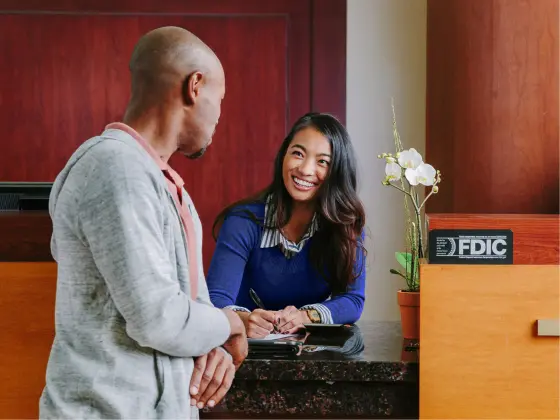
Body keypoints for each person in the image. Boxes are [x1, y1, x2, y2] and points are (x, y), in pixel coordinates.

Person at [39, 27, 247, 419]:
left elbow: (191, 310)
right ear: (194, 86)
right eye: (220, 99)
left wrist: (213, 345)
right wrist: (231, 324)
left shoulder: (166, 185)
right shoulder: (114, 169)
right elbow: (159, 317)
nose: (220, 115)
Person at [206, 113, 366, 338]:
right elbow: (215, 299)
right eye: (298, 154)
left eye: (322, 162)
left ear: (336, 172)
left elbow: (353, 300)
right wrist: (244, 320)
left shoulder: (345, 224)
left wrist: (305, 316)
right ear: (284, 156)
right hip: (245, 347)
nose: (305, 170)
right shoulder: (242, 221)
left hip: (312, 350)